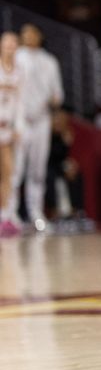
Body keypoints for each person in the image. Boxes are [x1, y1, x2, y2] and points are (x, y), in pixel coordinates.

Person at [12, 24, 63, 233]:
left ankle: (36, 214)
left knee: (38, 169)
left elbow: (57, 94)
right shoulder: (16, 57)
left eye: (32, 33)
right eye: (24, 33)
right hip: (20, 120)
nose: (28, 37)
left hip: (42, 120)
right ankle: (11, 215)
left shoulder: (49, 61)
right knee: (15, 169)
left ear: (39, 36)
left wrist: (50, 102)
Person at [0, 32, 23, 238]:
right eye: (7, 43)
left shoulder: (18, 70)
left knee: (9, 172)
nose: (10, 47)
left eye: (14, 43)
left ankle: (5, 215)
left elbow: (19, 101)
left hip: (7, 128)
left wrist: (17, 126)